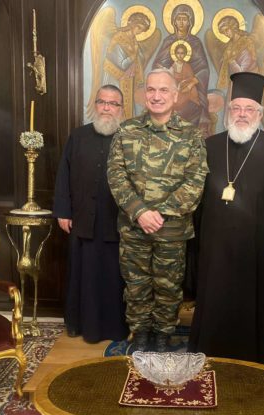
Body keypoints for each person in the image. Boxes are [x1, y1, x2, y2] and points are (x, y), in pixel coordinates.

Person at [188, 72, 264, 366]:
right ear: (228, 112)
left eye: (249, 109)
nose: (242, 114)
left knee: (253, 303)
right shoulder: (209, 146)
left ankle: (253, 358)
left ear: (259, 114)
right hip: (214, 245)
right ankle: (208, 352)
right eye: (236, 108)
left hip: (257, 247)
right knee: (214, 297)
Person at [108, 68, 208, 353]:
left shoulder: (191, 135)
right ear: (144, 95)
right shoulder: (127, 131)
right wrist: (140, 212)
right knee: (136, 284)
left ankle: (163, 335)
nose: (157, 96)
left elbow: (195, 181)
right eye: (151, 89)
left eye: (164, 90)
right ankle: (140, 334)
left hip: (172, 229)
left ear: (175, 96)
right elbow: (116, 175)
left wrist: (160, 214)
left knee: (168, 286)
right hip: (134, 226)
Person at [53, 84, 129, 343]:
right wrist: (63, 211)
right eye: (102, 102)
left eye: (113, 103)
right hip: (83, 219)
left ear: (121, 109)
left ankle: (114, 328)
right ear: (95, 105)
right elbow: (63, 174)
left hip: (116, 222)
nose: (107, 108)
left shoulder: (129, 138)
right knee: (83, 277)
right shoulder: (78, 136)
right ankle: (81, 325)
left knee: (113, 278)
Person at [153, 4, 210, 131]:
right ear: (174, 21)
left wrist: (192, 82)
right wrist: (167, 74)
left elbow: (203, 68)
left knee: (191, 108)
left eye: (184, 19)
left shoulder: (195, 42)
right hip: (169, 86)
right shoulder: (168, 41)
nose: (181, 22)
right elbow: (158, 64)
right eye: (178, 19)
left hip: (189, 86)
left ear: (190, 22)